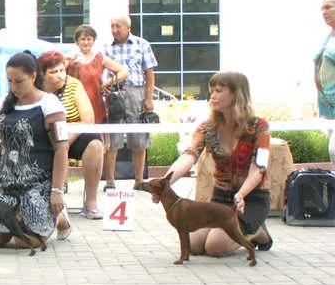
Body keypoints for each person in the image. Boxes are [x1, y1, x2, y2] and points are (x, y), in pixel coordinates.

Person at [161, 72, 274, 255]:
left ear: (236, 95)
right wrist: (165, 182)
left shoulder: (259, 127)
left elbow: (258, 169)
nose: (212, 95)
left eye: (219, 91)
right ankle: (244, 230)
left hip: (251, 198)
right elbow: (189, 156)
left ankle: (258, 232)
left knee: (215, 247)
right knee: (194, 245)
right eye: (212, 90)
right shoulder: (207, 127)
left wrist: (241, 194)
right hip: (221, 198)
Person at [0, 52, 70, 246]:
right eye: (10, 81)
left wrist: (57, 191)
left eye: (19, 81)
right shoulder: (5, 102)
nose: (14, 87)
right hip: (4, 181)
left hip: (37, 183)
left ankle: (59, 216)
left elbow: (61, 149)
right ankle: (20, 217)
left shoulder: (49, 103)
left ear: (33, 77)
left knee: (26, 242)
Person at [39, 50, 105, 219]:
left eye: (62, 70)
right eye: (53, 72)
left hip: (73, 134)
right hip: (44, 136)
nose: (60, 75)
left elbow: (88, 120)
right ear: (43, 74)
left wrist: (66, 141)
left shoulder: (74, 85)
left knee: (95, 144)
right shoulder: (37, 89)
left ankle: (91, 202)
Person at [103, 14, 158, 189]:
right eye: (112, 26)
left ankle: (139, 180)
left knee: (139, 138)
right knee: (112, 138)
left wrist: (148, 99)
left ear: (128, 27)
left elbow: (149, 74)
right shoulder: (105, 47)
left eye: (118, 26)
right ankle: (110, 181)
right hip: (114, 94)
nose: (114, 30)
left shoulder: (142, 44)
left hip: (136, 93)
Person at [66, 24, 129, 124]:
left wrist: (108, 83)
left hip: (96, 103)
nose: (86, 42)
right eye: (83, 39)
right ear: (77, 41)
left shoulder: (100, 58)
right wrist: (65, 58)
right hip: (74, 105)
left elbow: (124, 72)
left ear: (93, 40)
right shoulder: (70, 59)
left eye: (89, 39)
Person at [317, 0, 335, 166]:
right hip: (329, 110)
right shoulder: (329, 38)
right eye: (322, 8)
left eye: (328, 7)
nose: (324, 12)